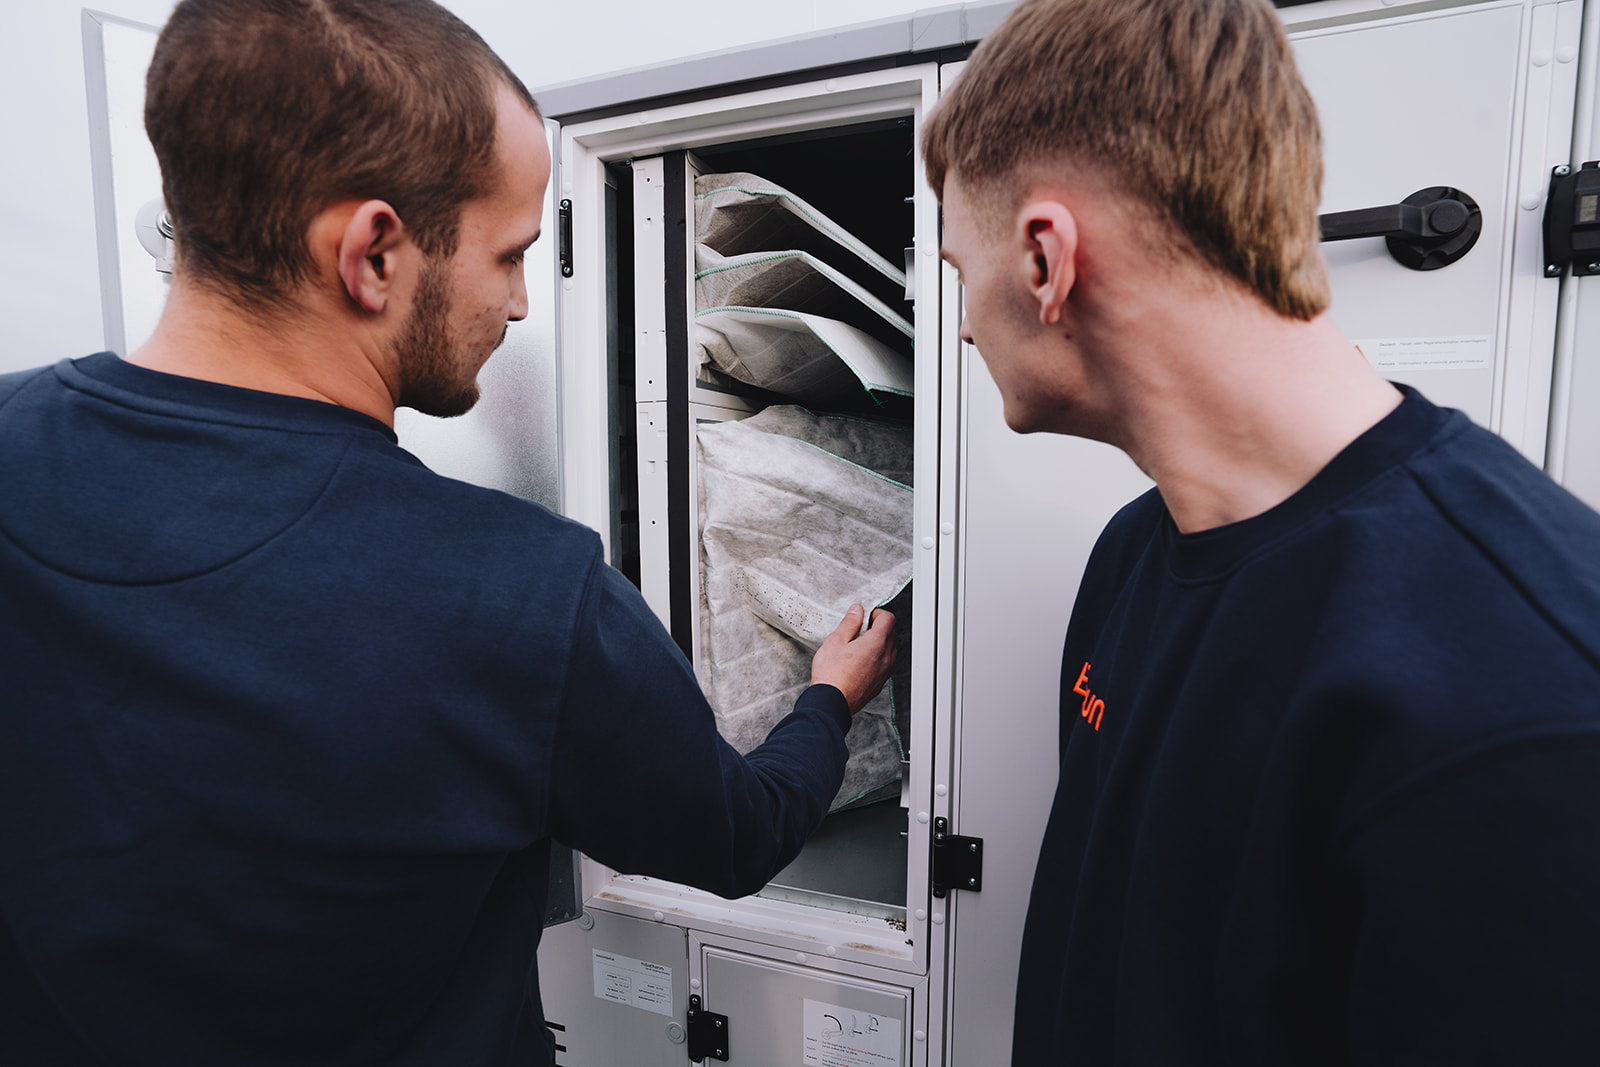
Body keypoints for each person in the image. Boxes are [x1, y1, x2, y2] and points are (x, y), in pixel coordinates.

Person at [0, 0, 896, 1063]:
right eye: (511, 253)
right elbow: (736, 832)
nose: (521, 304)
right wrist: (829, 698)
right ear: (374, 252)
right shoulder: (516, 593)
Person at [922, 0, 1600, 1062]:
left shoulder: (1532, 697)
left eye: (961, 273)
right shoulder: (1129, 558)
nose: (961, 324)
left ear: (1045, 259)